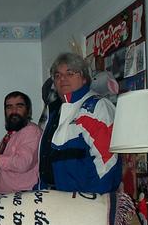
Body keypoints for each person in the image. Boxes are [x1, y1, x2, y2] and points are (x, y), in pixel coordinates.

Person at [38, 52, 122, 194]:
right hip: (54, 198)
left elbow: (107, 161)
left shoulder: (96, 107)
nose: (62, 79)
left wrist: (92, 199)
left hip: (85, 200)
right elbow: (46, 160)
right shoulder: (54, 112)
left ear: (83, 78)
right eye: (57, 75)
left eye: (70, 73)